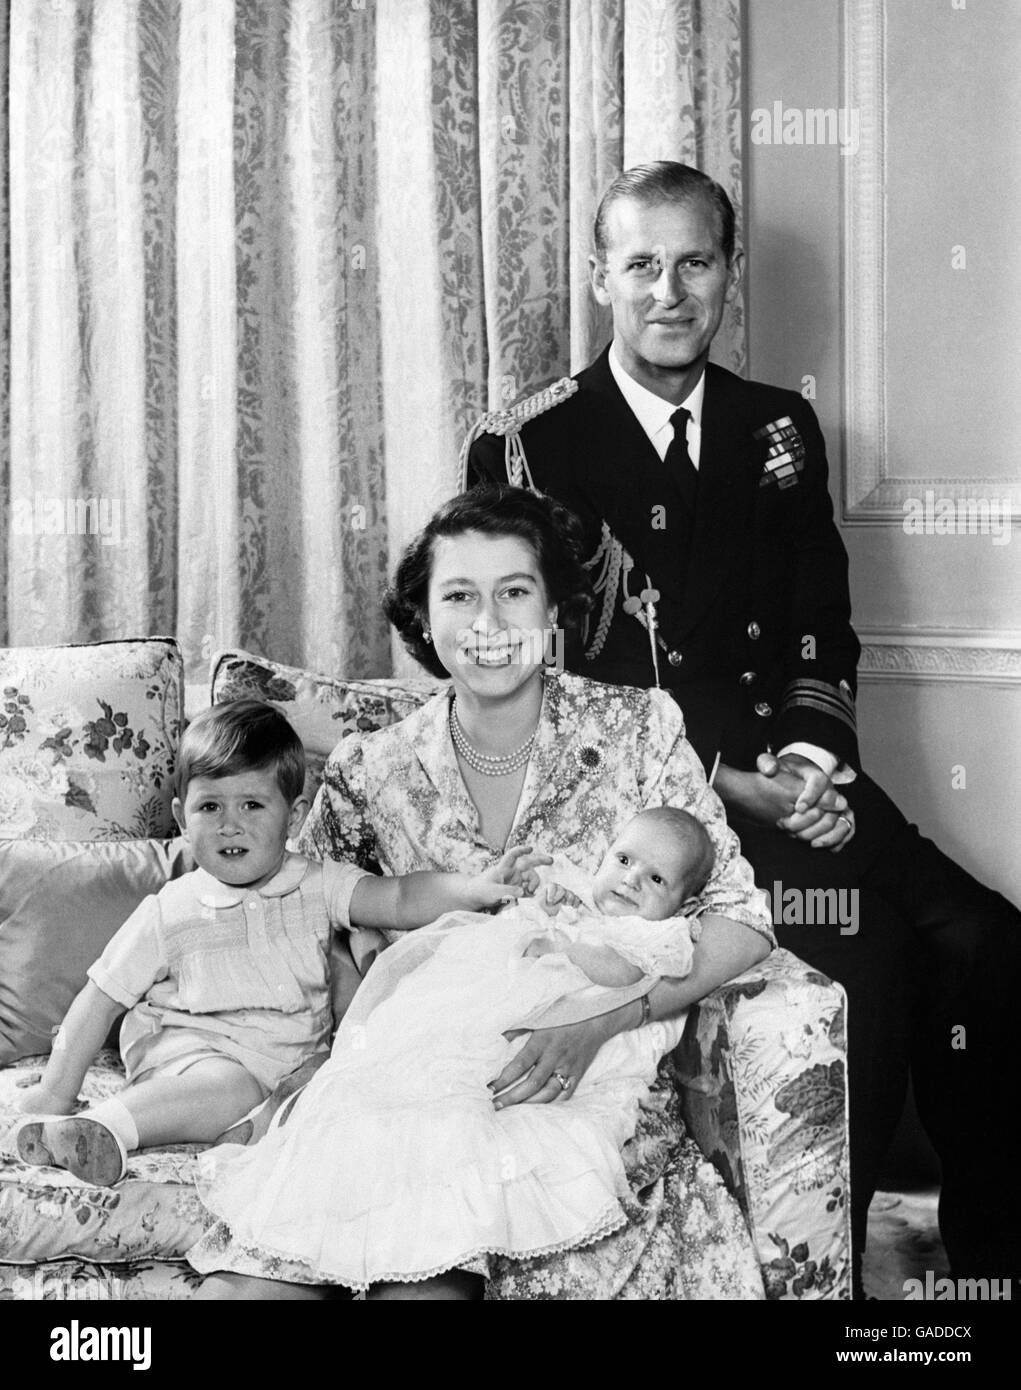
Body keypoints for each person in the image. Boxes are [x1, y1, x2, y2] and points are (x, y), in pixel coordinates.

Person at [467, 161, 1021, 1284]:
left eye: (695, 262)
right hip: (659, 813)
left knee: (986, 941)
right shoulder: (529, 447)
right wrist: (736, 784)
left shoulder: (781, 425)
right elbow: (533, 681)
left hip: (797, 778)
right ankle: (825, 1279)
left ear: (727, 274)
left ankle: (987, 1256)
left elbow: (820, 614)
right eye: (640, 265)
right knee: (861, 966)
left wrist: (813, 764)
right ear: (599, 279)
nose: (668, 291)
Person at [193, 484, 775, 1301]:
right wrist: (347, 1045)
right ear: (424, 621)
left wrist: (601, 1016)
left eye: (515, 593)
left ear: (552, 612)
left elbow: (743, 922)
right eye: (459, 596)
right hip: (403, 1099)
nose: (489, 625)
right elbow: (309, 919)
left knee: (423, 1292)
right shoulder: (374, 768)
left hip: (566, 1118)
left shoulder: (639, 729)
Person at [11, 700, 540, 1186]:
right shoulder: (169, 911)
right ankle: (104, 1128)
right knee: (231, 1085)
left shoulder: (319, 884)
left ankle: (230, 1133)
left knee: (341, 1103)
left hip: (287, 1065)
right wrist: (54, 1092)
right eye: (210, 808)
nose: (230, 826)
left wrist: (474, 888)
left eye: (252, 806)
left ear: (296, 813)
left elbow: (399, 898)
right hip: (189, 1050)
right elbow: (99, 1000)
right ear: (180, 818)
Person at [187, 808, 715, 1292]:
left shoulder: (659, 937)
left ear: (683, 903)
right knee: (409, 1071)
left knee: (467, 1125)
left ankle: (414, 1223)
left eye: (655, 879)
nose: (629, 880)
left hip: (555, 1054)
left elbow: (623, 973)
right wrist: (546, 905)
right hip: (486, 1018)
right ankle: (333, 1172)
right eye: (623, 860)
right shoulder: (582, 897)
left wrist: (566, 944)